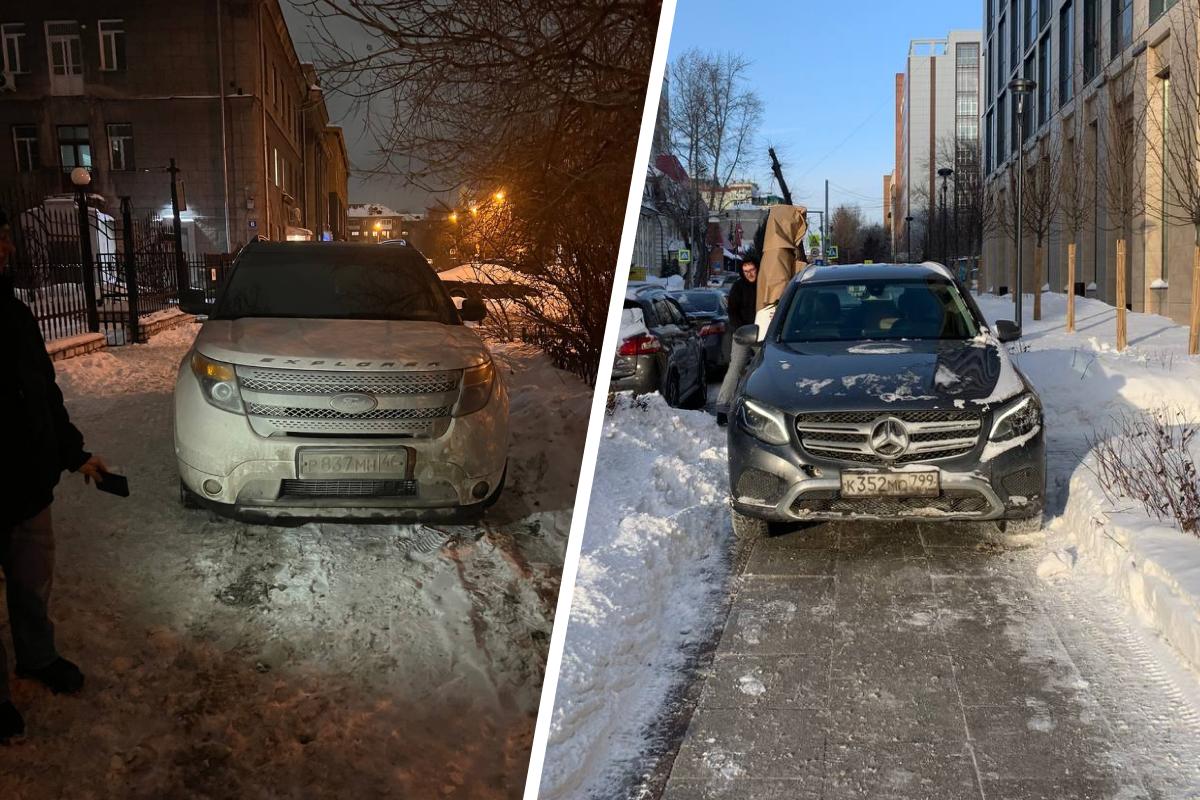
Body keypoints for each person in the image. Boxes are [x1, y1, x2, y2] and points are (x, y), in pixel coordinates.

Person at [0, 210, 108, 742]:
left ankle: (37, 658)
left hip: (26, 487)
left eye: (1, 238)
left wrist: (74, 454)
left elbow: (44, 396)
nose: (3, 249)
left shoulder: (16, 315)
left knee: (32, 585)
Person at [716, 205, 808, 426]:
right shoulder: (738, 288)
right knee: (736, 367)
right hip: (742, 334)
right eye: (745, 272)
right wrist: (742, 330)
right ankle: (723, 406)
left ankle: (755, 406)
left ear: (757, 269)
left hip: (762, 334)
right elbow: (733, 312)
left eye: (752, 271)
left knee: (762, 370)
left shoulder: (765, 283)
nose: (749, 274)